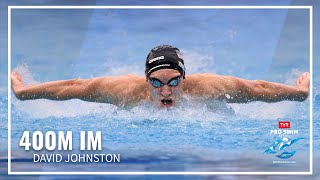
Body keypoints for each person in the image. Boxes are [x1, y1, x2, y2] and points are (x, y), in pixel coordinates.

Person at [11, 45, 310, 109]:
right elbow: (76, 87)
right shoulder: (125, 91)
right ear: (145, 81)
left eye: (173, 82)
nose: (165, 90)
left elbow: (256, 88)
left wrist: (299, 94)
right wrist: (25, 92)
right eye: (156, 82)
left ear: (184, 78)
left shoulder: (208, 88)